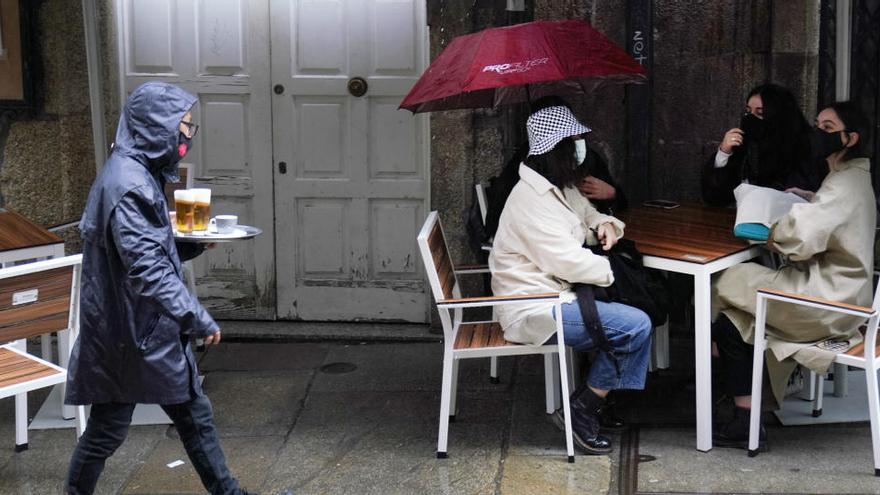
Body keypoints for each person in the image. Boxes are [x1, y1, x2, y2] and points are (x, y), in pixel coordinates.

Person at [64, 82, 279, 495]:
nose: (186, 137)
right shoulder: (129, 185)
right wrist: (196, 317)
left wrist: (189, 244)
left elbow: (140, 250)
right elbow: (146, 269)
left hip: (137, 329)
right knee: (111, 430)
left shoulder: (133, 174)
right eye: (182, 126)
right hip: (134, 334)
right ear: (155, 127)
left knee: (188, 417)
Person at [710, 101, 875, 449]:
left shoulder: (843, 186)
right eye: (817, 125)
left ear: (850, 138)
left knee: (724, 281)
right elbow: (830, 217)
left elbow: (797, 241)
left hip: (822, 302)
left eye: (828, 128)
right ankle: (745, 418)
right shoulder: (853, 178)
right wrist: (809, 199)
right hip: (844, 297)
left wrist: (770, 227)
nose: (818, 133)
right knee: (731, 322)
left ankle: (713, 374)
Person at [489, 103, 652, 454]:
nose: (582, 146)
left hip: (560, 294)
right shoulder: (531, 200)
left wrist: (605, 224)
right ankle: (583, 407)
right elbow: (567, 261)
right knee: (635, 325)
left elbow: (587, 211)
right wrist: (613, 274)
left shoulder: (557, 186)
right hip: (534, 307)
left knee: (633, 317)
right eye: (575, 139)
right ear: (559, 148)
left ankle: (597, 399)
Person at [483, 96, 628, 242]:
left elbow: (586, 210)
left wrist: (611, 199)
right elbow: (558, 248)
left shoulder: (586, 160)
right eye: (571, 136)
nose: (577, 142)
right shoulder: (530, 186)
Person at [702, 83, 826, 206]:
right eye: (748, 112)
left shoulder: (803, 148)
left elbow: (794, 198)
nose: (751, 118)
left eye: (760, 114)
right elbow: (714, 197)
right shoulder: (745, 143)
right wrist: (724, 152)